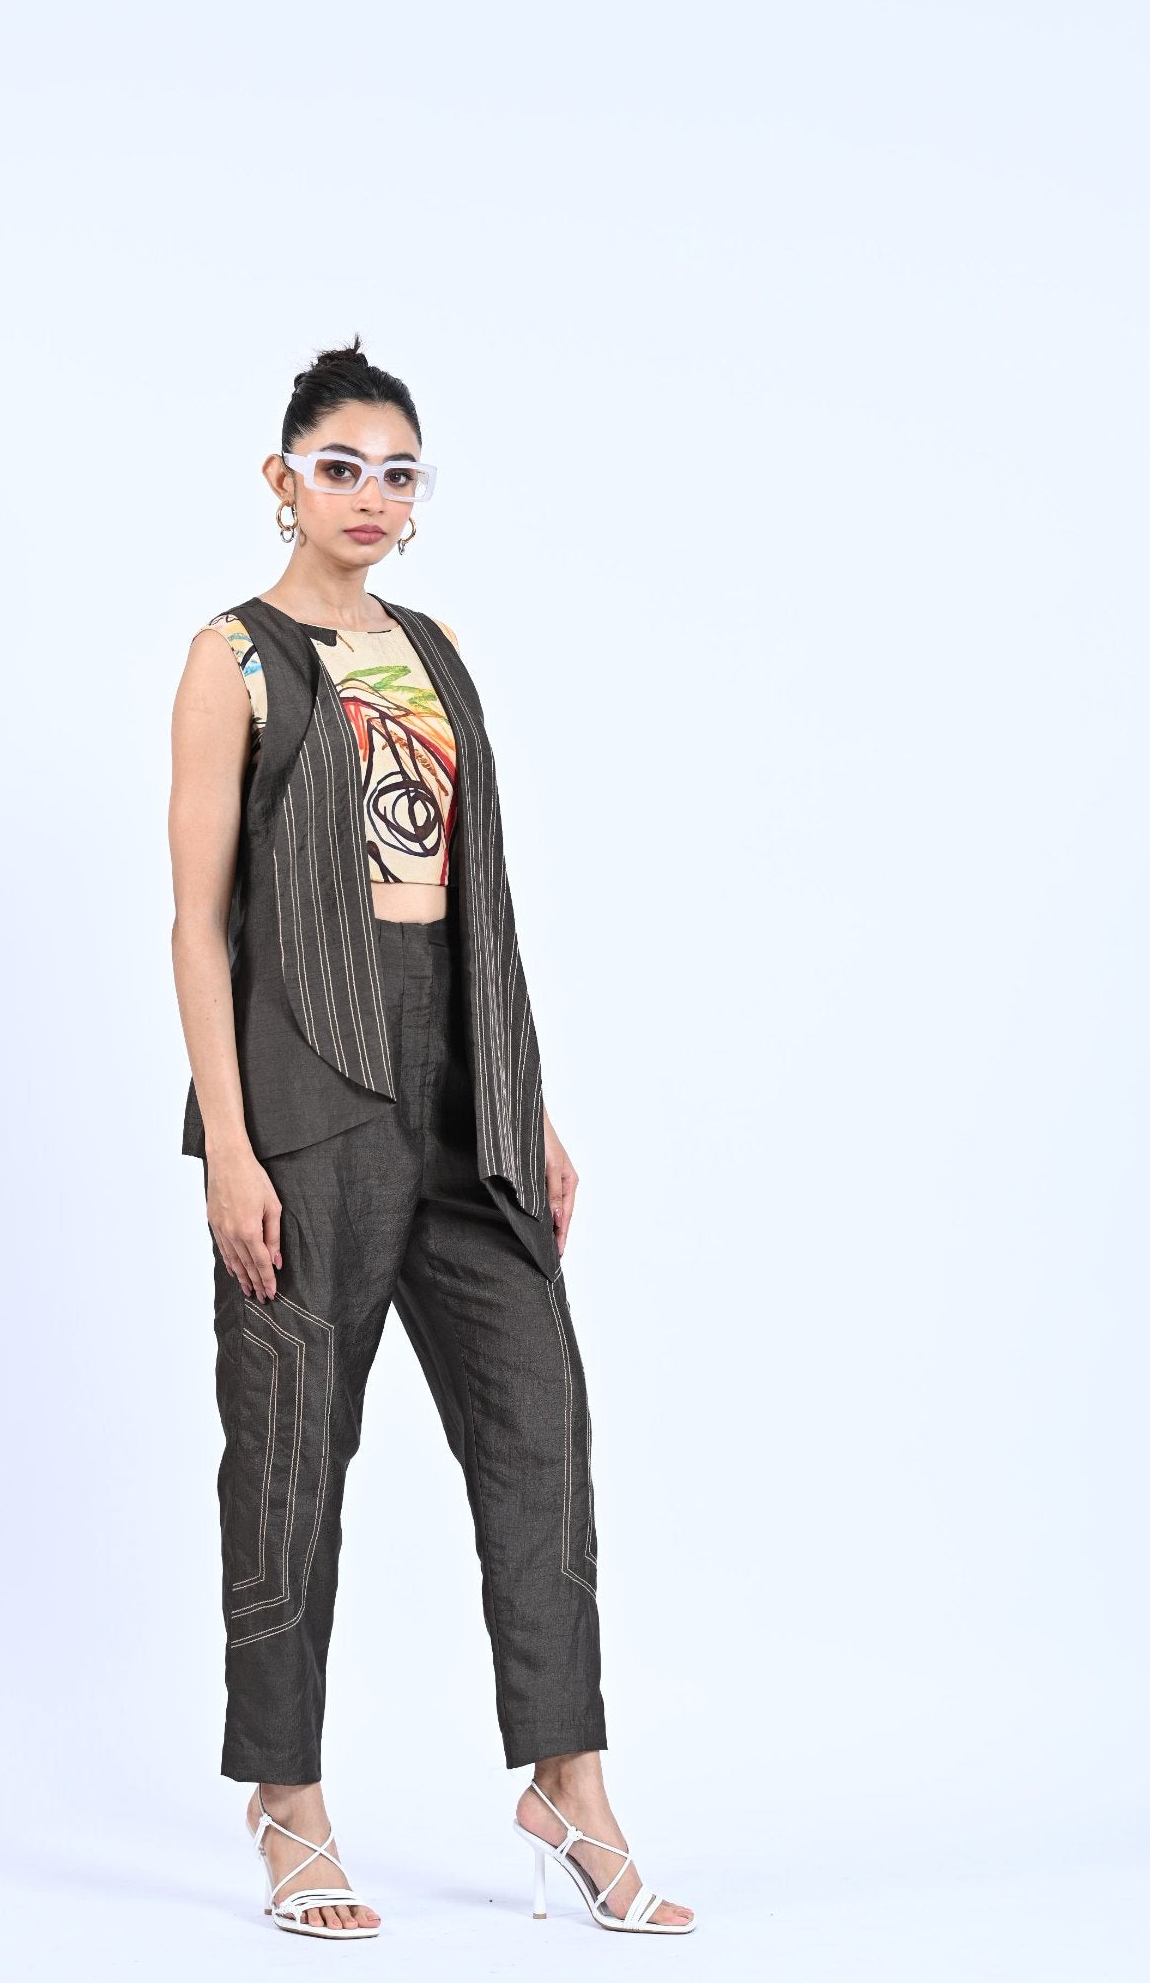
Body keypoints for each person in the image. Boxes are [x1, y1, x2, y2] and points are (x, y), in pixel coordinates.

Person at [168, 338, 695, 1940]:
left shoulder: (439, 652)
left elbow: (478, 899)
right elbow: (197, 923)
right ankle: (288, 1801)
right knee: (290, 1457)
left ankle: (570, 1787)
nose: (372, 496)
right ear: (282, 478)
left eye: (399, 472)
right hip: (304, 1096)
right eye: (342, 466)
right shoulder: (234, 657)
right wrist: (232, 1146)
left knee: (542, 1435)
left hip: (466, 1092)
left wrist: (526, 1098)